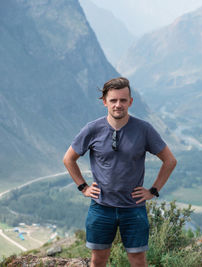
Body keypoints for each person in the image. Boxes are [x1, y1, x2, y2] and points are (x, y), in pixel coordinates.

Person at [63, 77, 177, 267]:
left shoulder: (144, 129)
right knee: (98, 260)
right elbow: (68, 159)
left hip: (134, 208)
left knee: (138, 260)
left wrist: (153, 190)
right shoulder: (92, 129)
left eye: (123, 100)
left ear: (130, 102)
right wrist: (83, 187)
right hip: (100, 207)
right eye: (113, 100)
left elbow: (170, 160)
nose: (118, 105)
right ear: (104, 101)